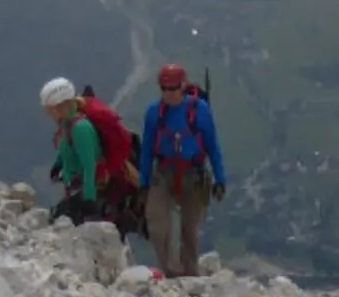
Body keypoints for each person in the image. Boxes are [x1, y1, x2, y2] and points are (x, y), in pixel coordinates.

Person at [140, 63, 227, 277]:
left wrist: (220, 178)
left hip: (194, 174)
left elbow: (212, 146)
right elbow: (147, 148)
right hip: (163, 172)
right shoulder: (154, 113)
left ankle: (190, 274)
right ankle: (168, 270)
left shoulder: (200, 111)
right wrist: (143, 183)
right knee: (157, 225)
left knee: (190, 230)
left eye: (173, 88)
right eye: (164, 88)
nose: (168, 94)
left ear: (183, 86)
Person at [40, 77, 143, 239]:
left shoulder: (81, 129)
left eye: (49, 109)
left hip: (93, 189)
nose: (47, 113)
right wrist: (58, 164)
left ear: (60, 106)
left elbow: (90, 166)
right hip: (80, 187)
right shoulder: (69, 125)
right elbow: (67, 148)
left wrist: (89, 200)